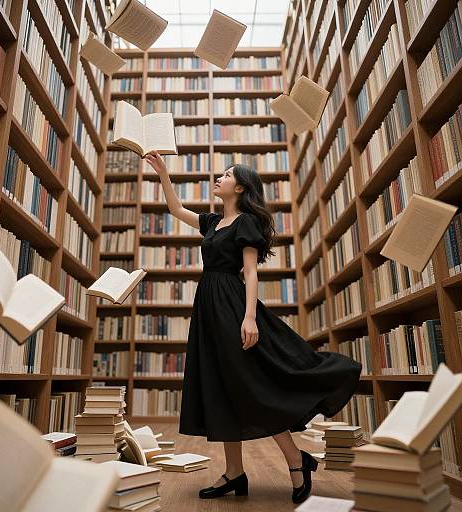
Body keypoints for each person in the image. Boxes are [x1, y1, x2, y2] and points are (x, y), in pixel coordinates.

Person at [144, 151, 363, 504]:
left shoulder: (245, 222)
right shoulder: (213, 222)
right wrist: (164, 174)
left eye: (227, 174)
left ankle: (296, 459)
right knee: (221, 387)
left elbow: (250, 271)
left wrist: (248, 317)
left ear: (241, 187)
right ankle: (234, 473)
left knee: (251, 383)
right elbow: (175, 210)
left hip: (232, 306)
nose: (219, 177)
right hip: (208, 310)